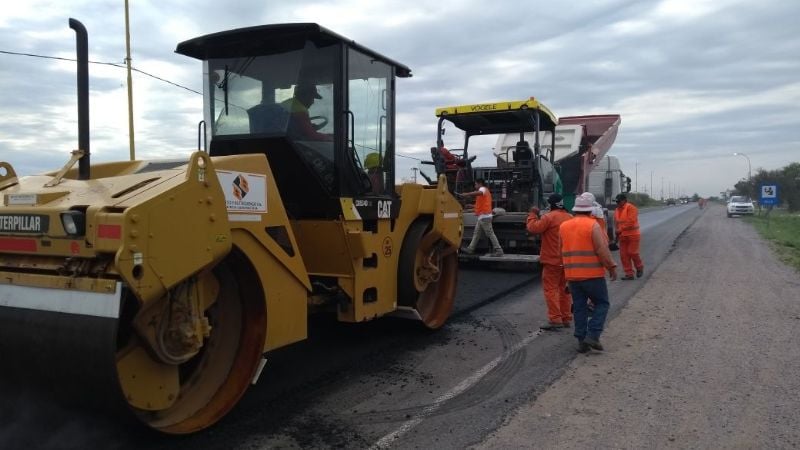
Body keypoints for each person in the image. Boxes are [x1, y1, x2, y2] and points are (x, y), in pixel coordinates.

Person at [559, 193, 618, 353]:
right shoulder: (593, 225)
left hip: (572, 276)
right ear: (591, 210)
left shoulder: (564, 226)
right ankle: (593, 335)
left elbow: (561, 250)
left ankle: (581, 340)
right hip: (592, 275)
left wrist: (566, 276)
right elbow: (602, 250)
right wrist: (611, 267)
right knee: (602, 304)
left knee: (579, 307)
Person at [526, 193, 573, 330]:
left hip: (552, 261)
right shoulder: (570, 217)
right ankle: (565, 318)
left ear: (551, 204)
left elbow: (533, 228)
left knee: (550, 289)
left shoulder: (549, 217)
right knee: (564, 289)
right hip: (566, 261)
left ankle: (555, 319)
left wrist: (532, 214)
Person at [459, 178, 503, 257]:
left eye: (476, 184)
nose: (475, 186)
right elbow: (481, 205)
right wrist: (471, 206)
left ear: (480, 184)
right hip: (482, 217)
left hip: (485, 217)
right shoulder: (485, 192)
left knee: (490, 234)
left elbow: (479, 193)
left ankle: (499, 250)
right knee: (476, 233)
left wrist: (467, 194)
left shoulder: (482, 189)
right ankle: (470, 249)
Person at [613, 193, 644, 280]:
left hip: (633, 235)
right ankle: (629, 274)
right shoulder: (617, 210)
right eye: (616, 202)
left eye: (618, 201)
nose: (617, 203)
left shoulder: (631, 208)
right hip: (622, 236)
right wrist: (617, 233)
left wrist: (621, 229)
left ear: (624, 201)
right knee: (624, 256)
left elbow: (631, 221)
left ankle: (639, 267)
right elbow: (616, 223)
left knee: (632, 252)